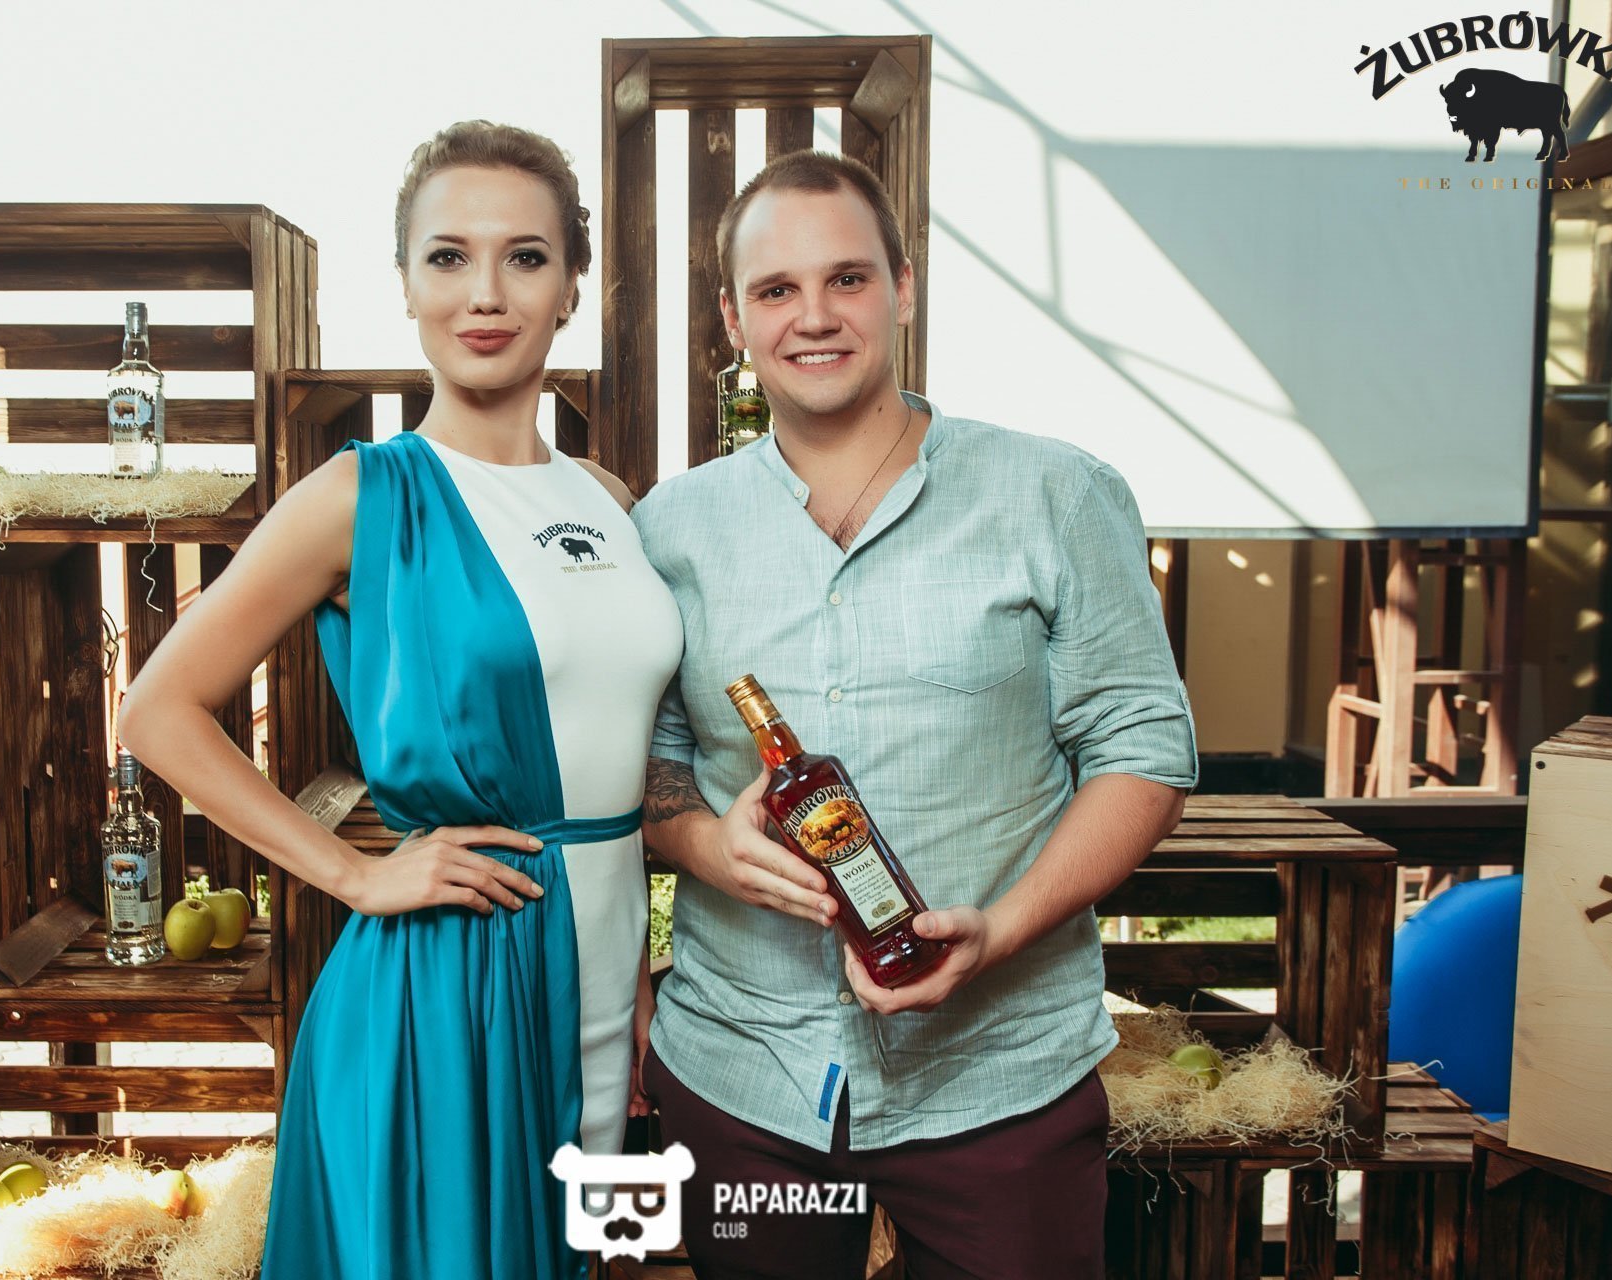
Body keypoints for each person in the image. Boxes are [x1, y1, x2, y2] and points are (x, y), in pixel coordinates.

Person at [117, 121, 680, 1279]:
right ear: (408, 284)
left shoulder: (611, 498)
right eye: (448, 256)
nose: (486, 292)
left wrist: (632, 970)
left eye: (526, 256)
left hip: (599, 977)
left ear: (573, 286)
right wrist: (356, 873)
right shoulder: (361, 496)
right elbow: (157, 710)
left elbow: (619, 761)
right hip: (449, 989)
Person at [631, 150, 1199, 1279]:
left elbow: (1144, 751)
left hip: (1001, 1074)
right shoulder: (673, 526)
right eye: (776, 289)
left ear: (903, 285)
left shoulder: (1055, 492)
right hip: (746, 1073)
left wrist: (1003, 928)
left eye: (846, 278)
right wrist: (702, 842)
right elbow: (651, 764)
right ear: (734, 319)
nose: (814, 316)